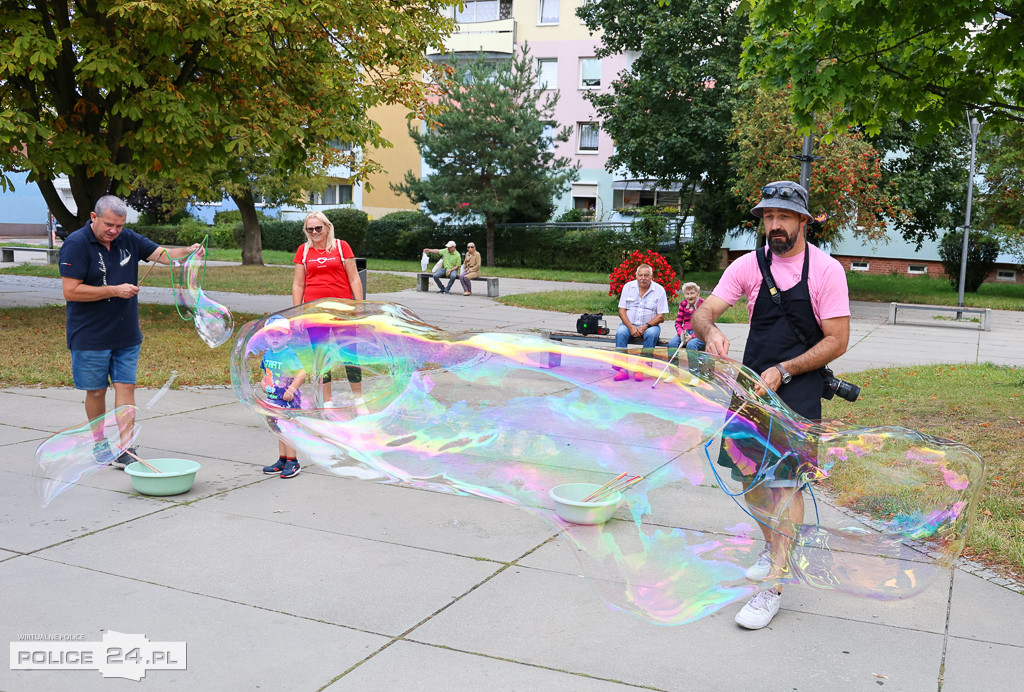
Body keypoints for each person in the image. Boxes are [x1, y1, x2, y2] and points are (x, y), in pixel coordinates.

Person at [692, 180, 851, 630]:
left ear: (804, 221)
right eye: (767, 217)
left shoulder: (825, 271)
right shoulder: (748, 265)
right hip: (751, 385)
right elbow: (705, 311)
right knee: (750, 480)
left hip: (797, 383)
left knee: (786, 485)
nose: (774, 225)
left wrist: (785, 370)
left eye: (783, 217)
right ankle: (772, 547)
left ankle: (774, 586)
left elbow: (837, 340)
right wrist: (711, 332)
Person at [59, 195, 203, 468]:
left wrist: (188, 250)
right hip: (90, 335)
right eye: (109, 225)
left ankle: (125, 447)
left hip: (126, 333)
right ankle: (100, 443)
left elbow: (162, 255)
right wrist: (115, 289)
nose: (114, 231)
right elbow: (71, 290)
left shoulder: (129, 239)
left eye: (119, 226)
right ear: (94, 217)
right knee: (97, 391)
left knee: (126, 386)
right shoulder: (76, 244)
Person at [291, 211, 365, 407]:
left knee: (350, 353)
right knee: (321, 356)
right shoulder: (304, 251)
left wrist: (359, 306)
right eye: (310, 229)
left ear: (327, 227)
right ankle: (328, 402)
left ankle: (359, 400)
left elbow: (354, 278)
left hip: (342, 310)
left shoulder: (341, 247)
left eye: (318, 228)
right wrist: (298, 312)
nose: (314, 232)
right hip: (315, 312)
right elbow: (298, 285)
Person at [258, 316, 306, 479]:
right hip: (273, 400)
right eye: (271, 335)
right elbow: (267, 375)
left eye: (280, 334)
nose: (275, 338)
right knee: (279, 430)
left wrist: (292, 389)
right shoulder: (268, 355)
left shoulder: (289, 354)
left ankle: (293, 462)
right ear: (265, 337)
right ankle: (283, 460)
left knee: (288, 430)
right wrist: (263, 384)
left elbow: (301, 373)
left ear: (288, 336)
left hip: (288, 401)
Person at [613, 264, 669, 382]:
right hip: (629, 324)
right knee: (621, 332)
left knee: (652, 334)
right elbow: (621, 311)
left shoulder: (659, 290)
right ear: (636, 276)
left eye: (646, 275)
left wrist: (645, 326)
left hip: (650, 326)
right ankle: (623, 369)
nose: (643, 278)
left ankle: (641, 369)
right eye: (640, 275)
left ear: (651, 277)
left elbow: (661, 316)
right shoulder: (628, 287)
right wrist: (630, 327)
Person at [667, 281, 706, 353]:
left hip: (701, 334)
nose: (689, 296)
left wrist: (692, 336)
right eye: (687, 294)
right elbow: (678, 323)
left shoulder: (703, 304)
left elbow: (704, 326)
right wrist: (681, 333)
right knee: (672, 343)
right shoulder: (683, 304)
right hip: (686, 332)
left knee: (691, 345)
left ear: (698, 293)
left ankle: (693, 364)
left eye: (692, 293)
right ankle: (674, 364)